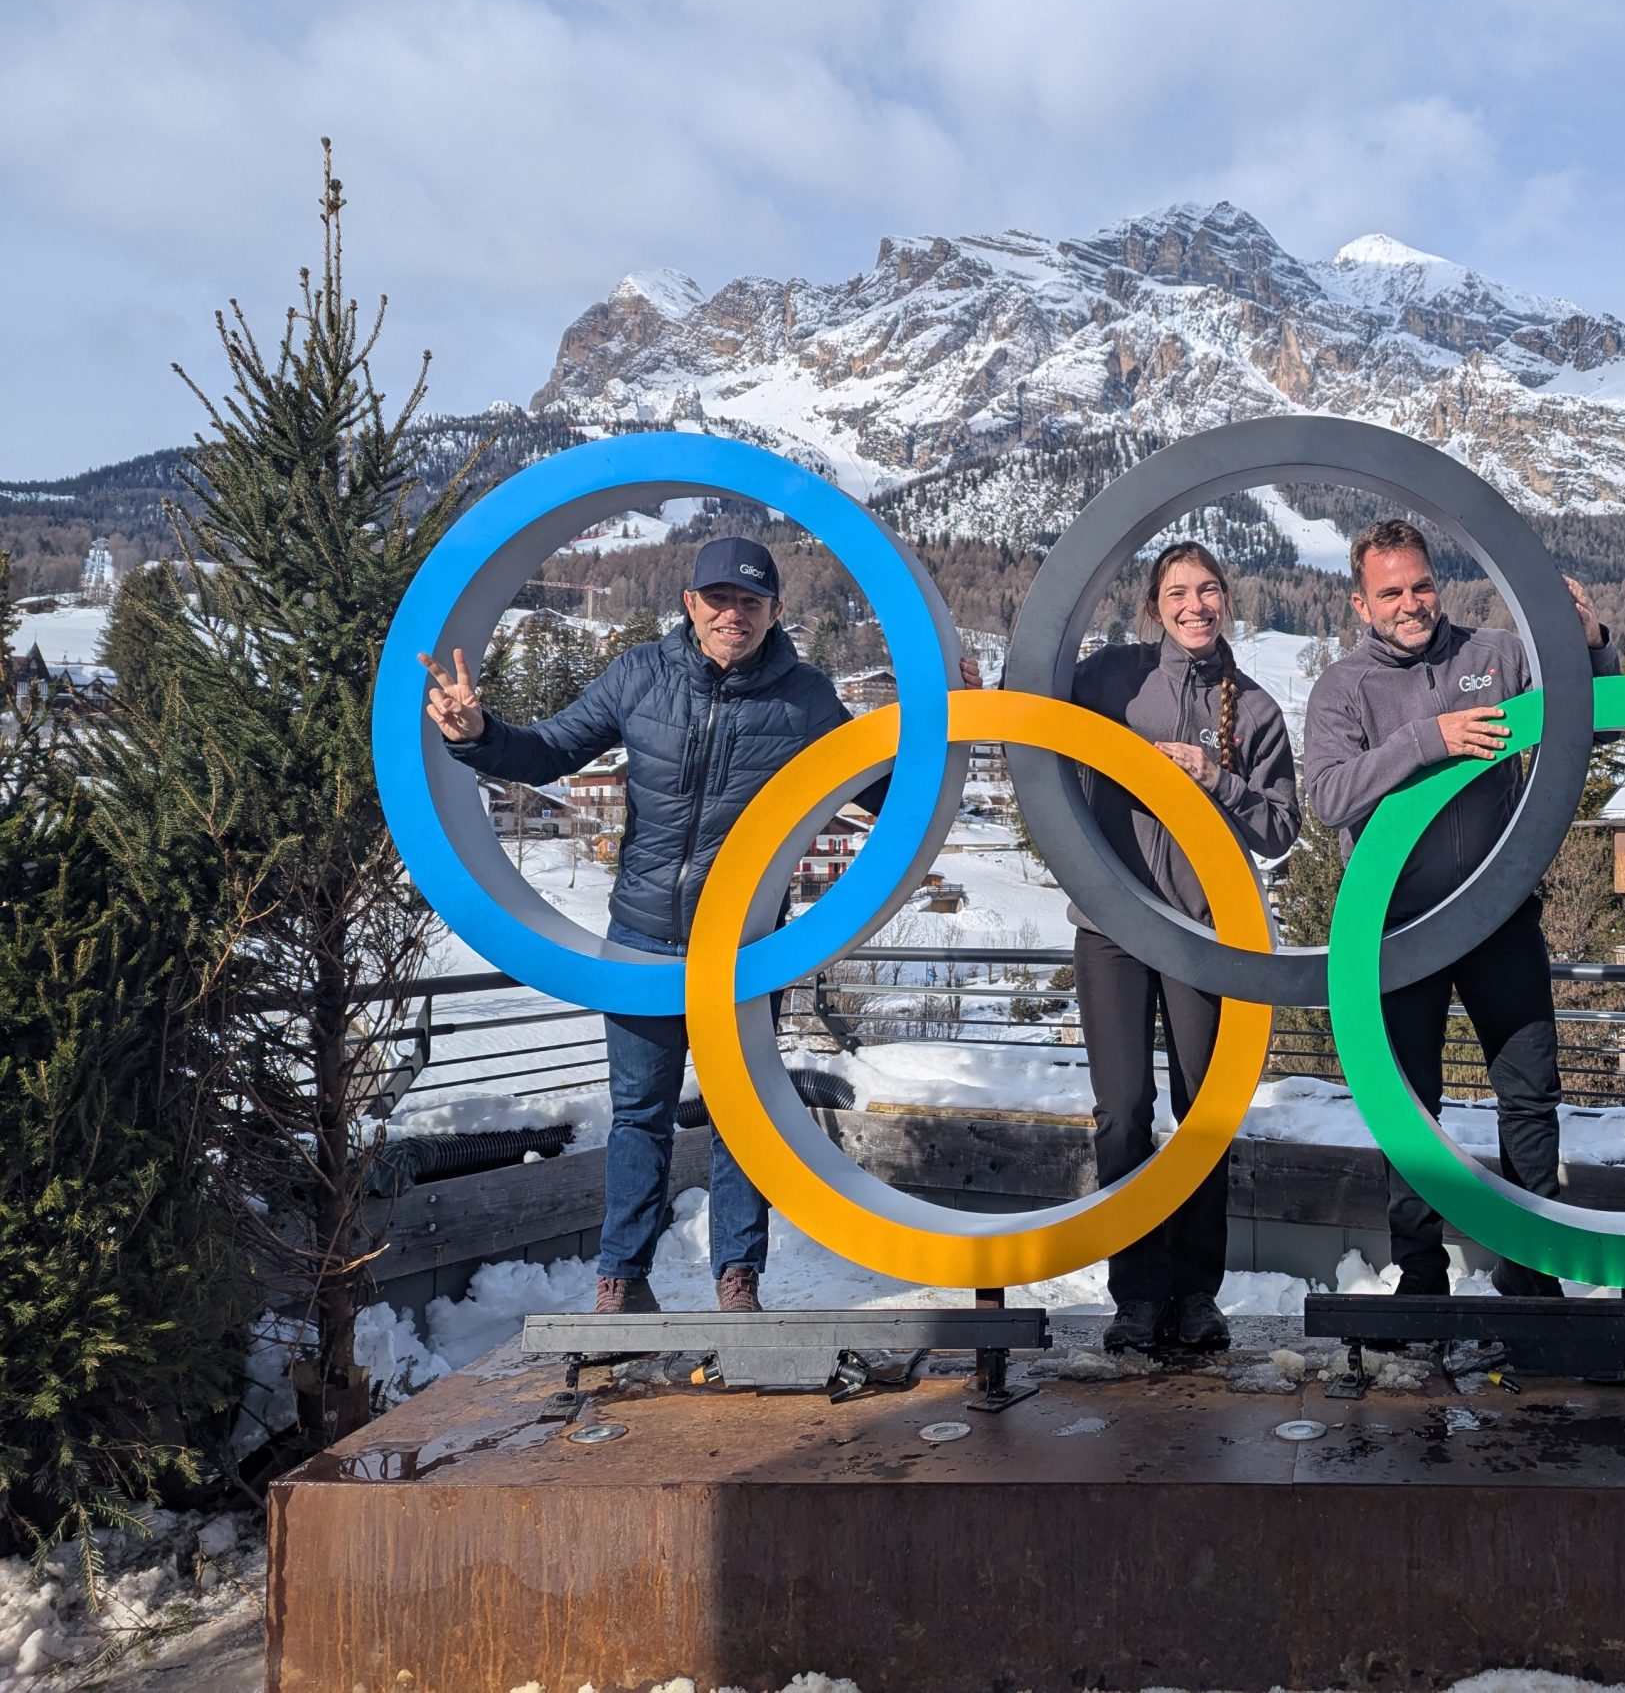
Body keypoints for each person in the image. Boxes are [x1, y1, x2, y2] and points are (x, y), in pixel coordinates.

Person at [420, 536, 978, 1317]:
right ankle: (621, 1275)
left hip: (746, 946)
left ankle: (737, 1275)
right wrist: (475, 733)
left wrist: (953, 720)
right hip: (642, 936)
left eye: (751, 602)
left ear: (775, 612)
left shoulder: (807, 698)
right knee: (639, 1115)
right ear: (690, 603)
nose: (733, 614)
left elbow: (890, 796)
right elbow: (549, 752)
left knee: (740, 1116)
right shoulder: (639, 675)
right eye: (719, 599)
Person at [1302, 518, 1618, 1304]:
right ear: (1359, 604)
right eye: (1390, 593)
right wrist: (1426, 740)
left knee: (1529, 1090)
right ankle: (1419, 1275)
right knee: (1410, 1108)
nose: (1410, 604)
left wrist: (1590, 644)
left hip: (1498, 915)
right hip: (1398, 932)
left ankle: (1531, 1265)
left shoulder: (1496, 654)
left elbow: (1593, 725)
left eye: (1420, 586)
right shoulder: (1344, 687)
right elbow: (1327, 796)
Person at [1068, 542, 1301, 1354]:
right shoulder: (1110, 679)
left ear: (1227, 599)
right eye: (1177, 592)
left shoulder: (1259, 708)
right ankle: (1135, 1294)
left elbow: (1280, 831)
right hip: (1112, 929)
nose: (1194, 604)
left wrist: (1216, 777)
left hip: (1207, 933)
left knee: (1203, 1116)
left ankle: (1197, 1296)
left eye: (1207, 590)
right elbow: (1030, 729)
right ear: (1152, 606)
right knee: (1122, 1116)